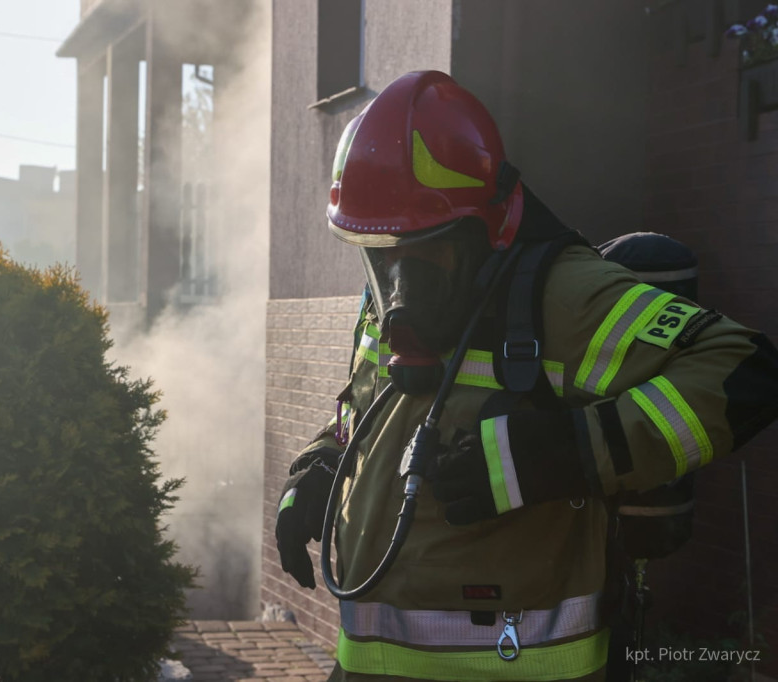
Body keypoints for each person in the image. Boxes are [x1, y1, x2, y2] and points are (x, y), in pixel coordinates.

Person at [273, 70, 778, 682]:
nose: (400, 284)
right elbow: (367, 411)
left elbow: (745, 369)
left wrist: (564, 453)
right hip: (367, 663)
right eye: (381, 253)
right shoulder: (383, 300)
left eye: (423, 249)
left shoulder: (560, 294)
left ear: (486, 228)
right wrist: (321, 465)